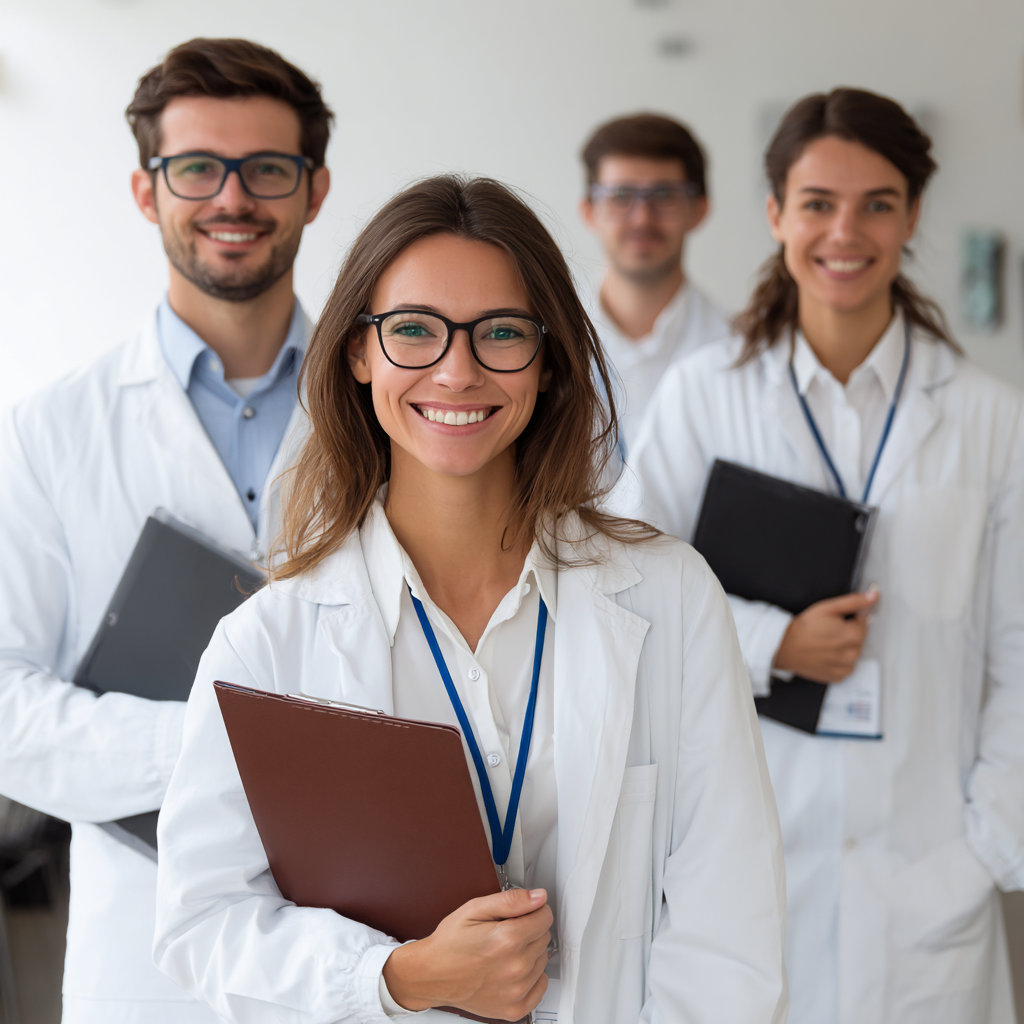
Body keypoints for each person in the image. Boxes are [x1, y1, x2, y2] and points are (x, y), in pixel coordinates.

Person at [152, 175, 788, 1024]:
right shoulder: (268, 643)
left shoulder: (671, 598)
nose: (458, 370)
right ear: (358, 352)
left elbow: (729, 929)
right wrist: (401, 978)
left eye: (501, 333)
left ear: (550, 357)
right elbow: (203, 921)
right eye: (413, 330)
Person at [617, 88, 1024, 1024]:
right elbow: (625, 598)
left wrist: (984, 850)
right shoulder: (703, 398)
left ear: (914, 216)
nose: (847, 231)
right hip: (748, 879)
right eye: (817, 203)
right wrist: (769, 645)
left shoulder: (988, 419)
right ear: (774, 214)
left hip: (927, 891)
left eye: (878, 203)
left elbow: (1017, 651)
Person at [0, 37, 331, 1023]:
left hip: (353, 927)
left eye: (267, 168)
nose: (233, 197)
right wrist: (219, 737)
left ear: (314, 190)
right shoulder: (52, 429)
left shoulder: (393, 405)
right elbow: (7, 712)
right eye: (196, 168)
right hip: (143, 952)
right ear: (147, 192)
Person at [578, 113, 730, 453]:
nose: (642, 217)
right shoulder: (548, 342)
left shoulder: (743, 351)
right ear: (589, 210)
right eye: (620, 195)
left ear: (699, 210)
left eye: (664, 195)